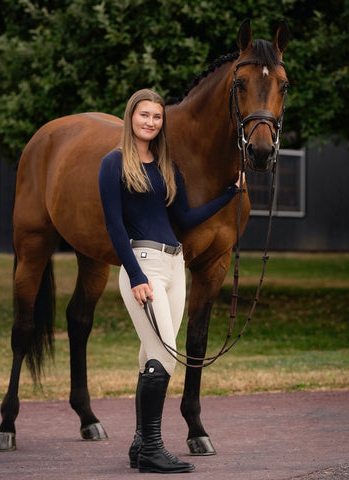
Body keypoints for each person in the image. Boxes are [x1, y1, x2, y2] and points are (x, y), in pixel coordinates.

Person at [98, 89, 242, 474]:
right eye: (144, 115)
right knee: (164, 356)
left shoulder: (166, 167)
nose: (150, 122)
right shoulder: (113, 164)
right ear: (131, 118)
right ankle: (153, 448)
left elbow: (187, 218)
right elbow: (114, 227)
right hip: (143, 264)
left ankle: (140, 444)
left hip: (175, 265)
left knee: (151, 355)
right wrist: (136, 276)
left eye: (157, 117)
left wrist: (230, 194)